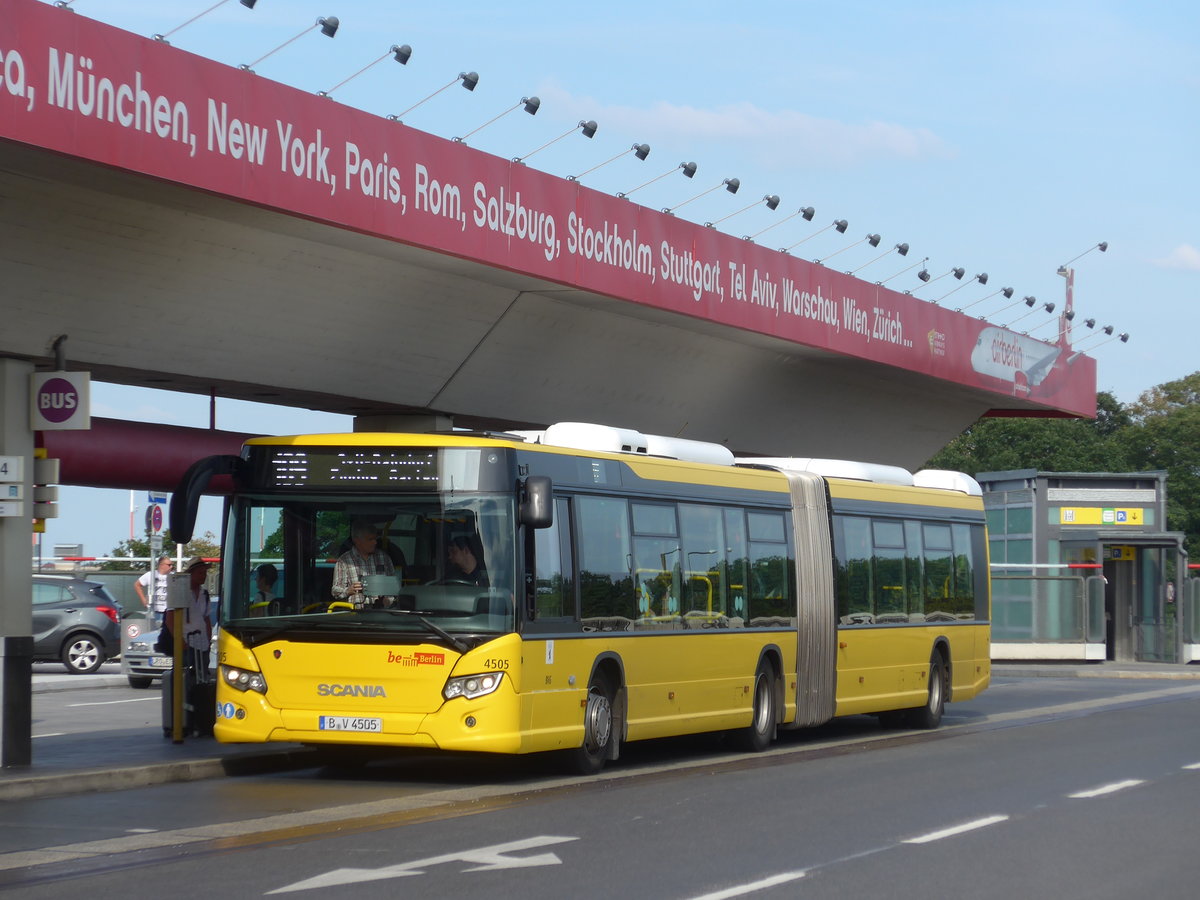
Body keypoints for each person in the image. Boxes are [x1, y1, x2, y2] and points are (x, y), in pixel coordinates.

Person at [163, 557, 214, 676]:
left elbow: (206, 619)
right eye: (200, 573)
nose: (204, 576)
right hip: (186, 644)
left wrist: (208, 639)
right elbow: (169, 620)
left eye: (205, 573)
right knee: (185, 678)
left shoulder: (204, 594)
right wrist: (180, 641)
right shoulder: (179, 592)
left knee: (202, 677)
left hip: (202, 644)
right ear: (191, 574)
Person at [331, 520, 397, 606]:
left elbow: (395, 588)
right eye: (370, 539)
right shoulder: (344, 561)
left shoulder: (384, 558)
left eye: (375, 538)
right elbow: (335, 591)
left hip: (383, 614)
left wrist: (389, 600)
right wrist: (348, 590)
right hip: (355, 615)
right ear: (357, 540)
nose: (375, 542)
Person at [135, 555, 172, 626]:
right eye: (169, 565)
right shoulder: (150, 575)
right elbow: (137, 585)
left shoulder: (173, 576)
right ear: (161, 565)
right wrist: (143, 599)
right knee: (152, 631)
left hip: (168, 611)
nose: (171, 567)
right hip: (154, 611)